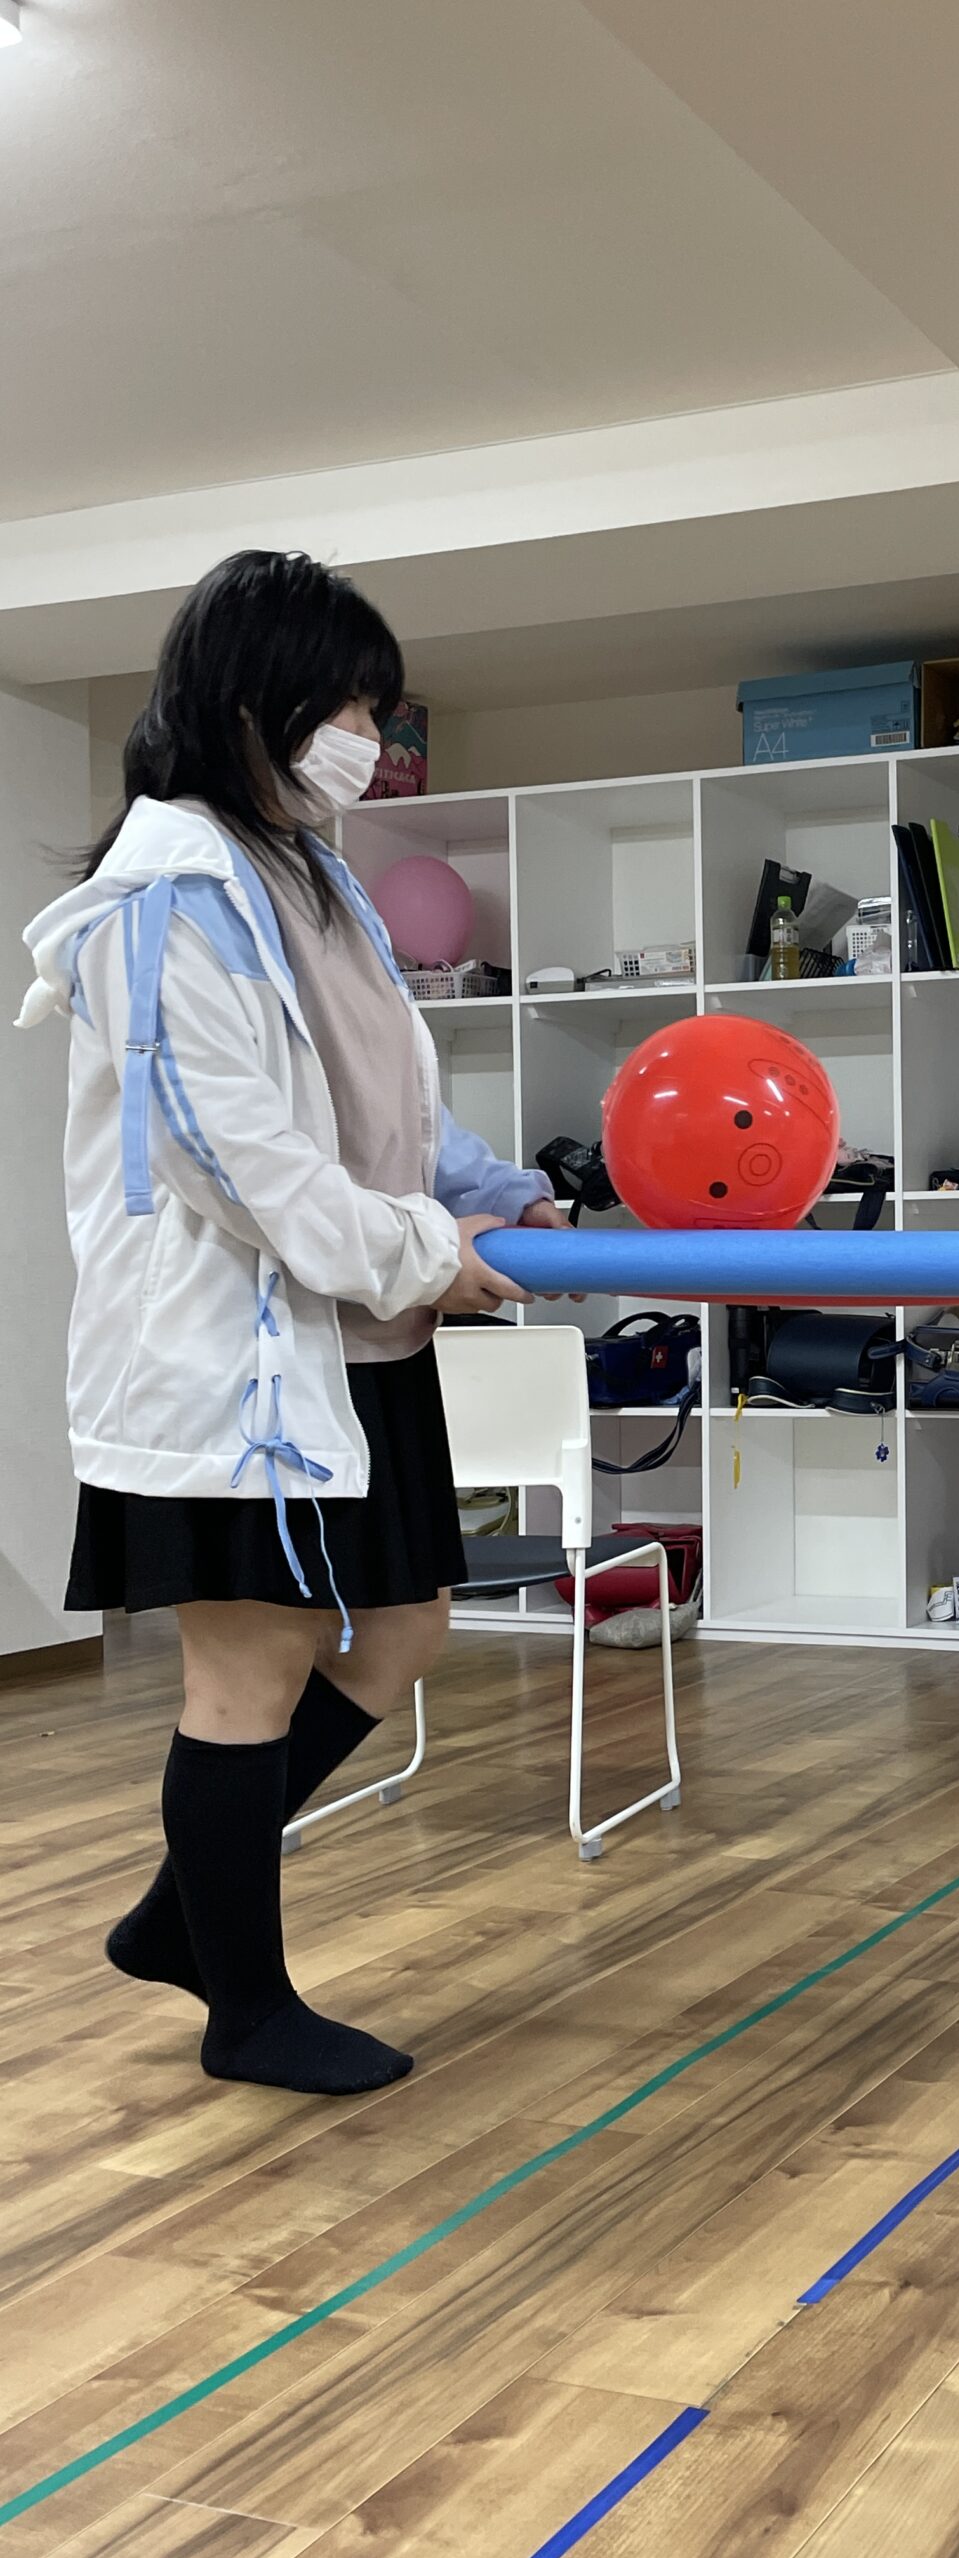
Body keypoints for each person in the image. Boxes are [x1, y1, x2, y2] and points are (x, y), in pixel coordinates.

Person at [18, 550, 572, 2098]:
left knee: (404, 1626)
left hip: (357, 1334)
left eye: (377, 712)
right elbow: (233, 1156)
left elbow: (386, 1101)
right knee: (249, 1669)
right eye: (349, 708)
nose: (368, 741)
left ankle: (177, 1918)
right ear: (250, 700)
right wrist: (429, 1250)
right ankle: (245, 2011)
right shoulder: (162, 900)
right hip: (234, 1358)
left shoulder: (314, 878)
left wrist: (500, 1197)